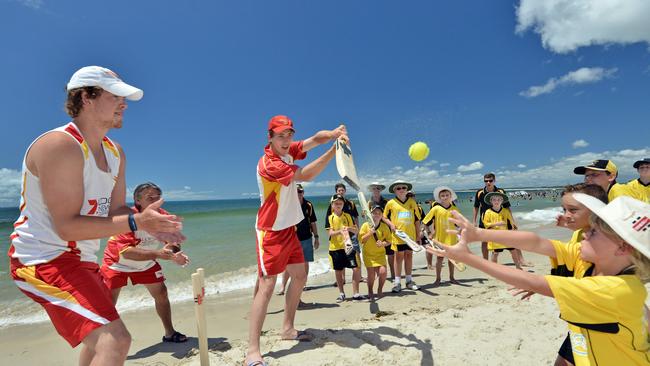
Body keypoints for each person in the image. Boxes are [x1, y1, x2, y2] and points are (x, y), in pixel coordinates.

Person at [7, 66, 184, 366]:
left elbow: (115, 211)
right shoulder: (59, 145)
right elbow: (66, 228)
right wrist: (136, 220)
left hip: (83, 261)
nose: (124, 104)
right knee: (115, 340)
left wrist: (152, 227)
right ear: (86, 97)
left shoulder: (115, 152)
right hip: (42, 259)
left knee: (98, 341)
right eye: (116, 96)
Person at [431, 195, 650, 365]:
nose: (584, 234)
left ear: (623, 248)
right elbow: (536, 242)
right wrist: (478, 233)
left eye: (594, 233)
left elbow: (533, 282)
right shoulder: (590, 262)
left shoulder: (617, 289)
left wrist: (467, 257)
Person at [247, 115, 347, 366]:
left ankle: (287, 329)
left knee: (300, 275)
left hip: (288, 229)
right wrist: (334, 153)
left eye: (289, 134)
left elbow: (314, 139)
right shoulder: (269, 163)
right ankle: (252, 351)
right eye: (280, 135)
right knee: (267, 285)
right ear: (269, 137)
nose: (286, 140)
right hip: (269, 232)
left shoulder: (287, 150)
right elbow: (306, 175)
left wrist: (334, 133)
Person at [101, 182, 190, 343]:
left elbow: (173, 242)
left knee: (162, 294)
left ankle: (169, 333)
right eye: (150, 197)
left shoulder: (162, 215)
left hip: (146, 262)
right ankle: (102, 340)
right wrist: (159, 254)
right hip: (117, 263)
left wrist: (175, 253)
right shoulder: (127, 219)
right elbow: (127, 253)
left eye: (158, 197)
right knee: (108, 304)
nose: (155, 200)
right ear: (137, 200)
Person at [277, 184, 320, 304]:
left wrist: (316, 237)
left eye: (300, 191)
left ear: (303, 193)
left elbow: (313, 222)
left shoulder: (308, 205)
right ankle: (283, 287)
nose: (298, 193)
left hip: (306, 238)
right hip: (292, 239)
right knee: (288, 264)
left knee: (305, 262)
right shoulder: (289, 204)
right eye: (296, 191)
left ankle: (302, 283)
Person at [384, 179, 422, 293]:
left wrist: (418, 234)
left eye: (403, 188)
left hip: (410, 236)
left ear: (407, 190)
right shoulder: (391, 203)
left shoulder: (411, 202)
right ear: (395, 191)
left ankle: (409, 281)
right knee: (398, 258)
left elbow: (416, 219)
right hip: (398, 236)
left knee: (409, 256)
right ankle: (397, 282)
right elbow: (384, 217)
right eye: (398, 188)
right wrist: (391, 225)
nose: (401, 190)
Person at [422, 186, 461, 286]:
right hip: (440, 238)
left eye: (447, 195)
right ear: (439, 198)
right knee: (439, 259)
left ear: (450, 196)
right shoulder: (436, 209)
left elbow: (459, 224)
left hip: (452, 238)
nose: (445, 197)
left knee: (451, 259)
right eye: (442, 196)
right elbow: (426, 221)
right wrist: (429, 233)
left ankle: (452, 277)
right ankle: (438, 278)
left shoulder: (454, 209)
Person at [327, 194, 361, 302]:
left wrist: (349, 228)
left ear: (343, 204)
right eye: (336, 203)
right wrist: (340, 231)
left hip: (348, 246)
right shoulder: (330, 217)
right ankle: (341, 293)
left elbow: (355, 230)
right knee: (338, 271)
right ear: (332, 205)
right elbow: (330, 233)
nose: (338, 205)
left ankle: (356, 293)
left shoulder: (347, 216)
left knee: (355, 269)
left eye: (340, 203)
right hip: (335, 248)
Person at [473, 173, 510, 260]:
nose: (488, 182)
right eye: (486, 181)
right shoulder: (479, 192)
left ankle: (520, 260)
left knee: (510, 239)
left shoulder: (500, 191)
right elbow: (476, 207)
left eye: (490, 180)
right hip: (484, 220)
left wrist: (511, 221)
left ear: (494, 181)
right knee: (484, 241)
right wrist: (474, 221)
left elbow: (507, 207)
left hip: (500, 219)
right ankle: (486, 261)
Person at [482, 192, 522, 269]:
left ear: (502, 201)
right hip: (495, 237)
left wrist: (513, 229)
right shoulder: (488, 212)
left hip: (506, 235)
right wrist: (497, 223)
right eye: (494, 200)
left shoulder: (505, 211)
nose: (496, 201)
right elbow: (486, 224)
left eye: (498, 200)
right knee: (495, 253)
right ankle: (495, 269)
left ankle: (518, 267)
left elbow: (510, 222)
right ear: (491, 201)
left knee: (513, 251)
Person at [358, 205, 391, 301]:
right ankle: (370, 291)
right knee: (371, 274)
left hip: (380, 254)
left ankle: (380, 289)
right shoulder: (365, 226)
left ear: (381, 216)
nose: (376, 215)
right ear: (370, 214)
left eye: (379, 213)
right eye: (374, 213)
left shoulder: (384, 227)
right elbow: (362, 240)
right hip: (368, 254)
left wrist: (383, 243)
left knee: (383, 272)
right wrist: (369, 233)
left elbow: (389, 241)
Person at [367, 181, 395, 280]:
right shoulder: (369, 203)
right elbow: (367, 217)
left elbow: (389, 215)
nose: (376, 190)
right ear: (371, 190)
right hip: (376, 231)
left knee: (391, 255)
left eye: (378, 188)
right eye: (374, 188)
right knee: (377, 254)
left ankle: (393, 275)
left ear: (381, 190)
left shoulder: (386, 202)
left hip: (386, 230)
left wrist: (391, 225)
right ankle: (380, 275)